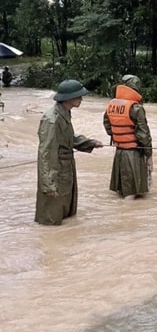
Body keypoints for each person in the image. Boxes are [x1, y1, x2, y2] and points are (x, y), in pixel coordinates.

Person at [35, 80, 103, 225]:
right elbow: (45, 154)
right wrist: (48, 184)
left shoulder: (64, 113)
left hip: (65, 169)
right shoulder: (52, 120)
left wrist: (90, 143)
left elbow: (68, 139)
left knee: (66, 216)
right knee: (51, 219)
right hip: (56, 171)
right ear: (69, 98)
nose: (81, 99)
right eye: (79, 96)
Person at [103, 74, 153, 198]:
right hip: (133, 153)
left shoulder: (111, 105)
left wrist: (117, 137)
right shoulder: (136, 108)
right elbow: (143, 134)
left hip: (119, 151)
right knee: (132, 195)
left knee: (122, 192)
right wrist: (149, 154)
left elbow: (107, 124)